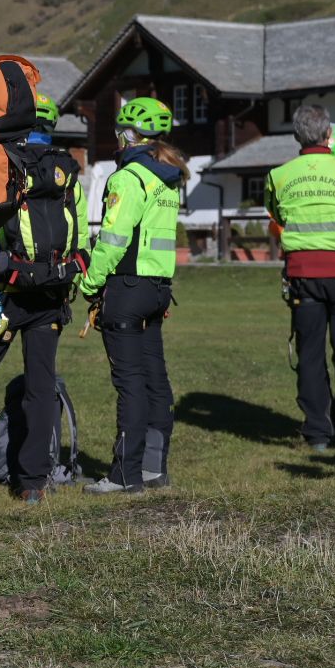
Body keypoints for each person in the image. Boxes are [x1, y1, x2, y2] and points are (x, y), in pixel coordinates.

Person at [0, 93, 88, 504]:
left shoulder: (1, 166)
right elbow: (78, 234)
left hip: (4, 297)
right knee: (40, 387)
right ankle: (32, 483)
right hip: (51, 296)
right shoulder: (66, 172)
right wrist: (68, 286)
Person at [78, 97, 187, 495]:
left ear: (127, 134)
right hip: (158, 289)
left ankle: (124, 474)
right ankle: (154, 470)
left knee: (130, 383)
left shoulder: (129, 178)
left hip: (126, 287)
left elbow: (113, 239)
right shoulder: (168, 176)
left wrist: (90, 283)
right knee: (155, 379)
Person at [265, 104, 335, 451]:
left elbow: (276, 214)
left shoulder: (278, 175)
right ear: (329, 134)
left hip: (301, 274)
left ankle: (316, 432)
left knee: (310, 354)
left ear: (297, 136)